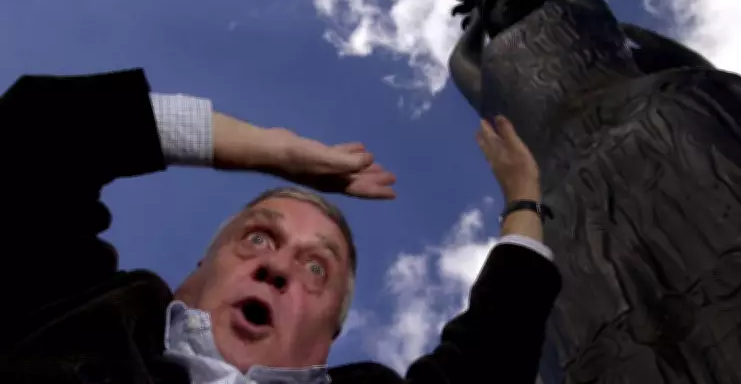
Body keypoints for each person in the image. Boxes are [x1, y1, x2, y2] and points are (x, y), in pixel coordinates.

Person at [0, 68, 561, 384]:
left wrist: (524, 198)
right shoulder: (69, 310)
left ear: (329, 337)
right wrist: (271, 149)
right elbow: (32, 135)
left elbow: (495, 348)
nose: (277, 267)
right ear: (195, 274)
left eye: (317, 268)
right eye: (258, 237)